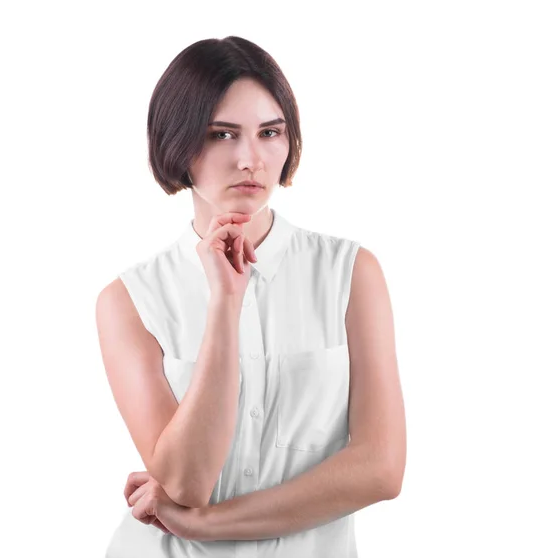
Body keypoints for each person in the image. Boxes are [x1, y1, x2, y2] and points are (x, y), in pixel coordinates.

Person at [96, 35, 406, 558]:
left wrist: (207, 525)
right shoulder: (129, 300)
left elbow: (381, 469)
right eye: (222, 134)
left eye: (269, 132)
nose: (250, 159)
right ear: (178, 143)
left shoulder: (351, 274)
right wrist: (225, 303)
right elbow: (185, 483)